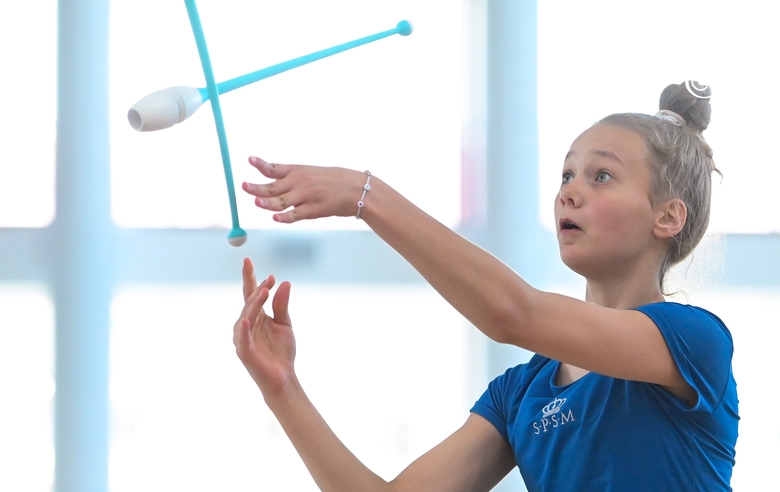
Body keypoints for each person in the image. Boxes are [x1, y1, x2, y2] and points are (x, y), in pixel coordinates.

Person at [233, 81, 738, 491]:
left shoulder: (693, 341)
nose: (570, 193)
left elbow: (512, 314)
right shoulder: (521, 393)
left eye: (602, 175)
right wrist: (282, 388)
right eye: (567, 175)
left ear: (667, 216)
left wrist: (367, 196)